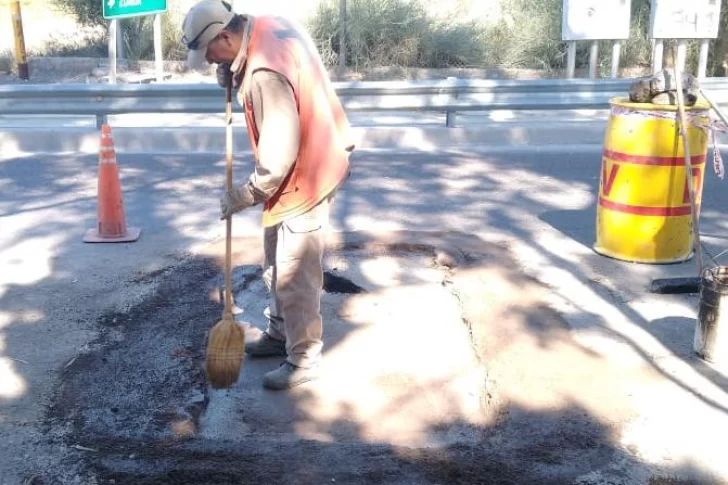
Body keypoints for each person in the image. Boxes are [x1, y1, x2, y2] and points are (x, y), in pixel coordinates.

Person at [182, 0, 354, 390]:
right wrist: (232, 70)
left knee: (294, 271)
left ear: (225, 35)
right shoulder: (267, 25)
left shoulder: (263, 74)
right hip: (310, 157)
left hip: (306, 174)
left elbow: (277, 160)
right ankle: (280, 333)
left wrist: (243, 195)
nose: (208, 60)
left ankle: (304, 357)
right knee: (275, 257)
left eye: (210, 52)